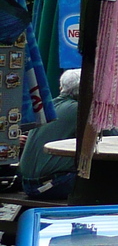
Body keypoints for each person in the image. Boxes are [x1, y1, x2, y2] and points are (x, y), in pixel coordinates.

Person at [18, 69, 86, 199]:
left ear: (62, 87)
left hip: (26, 184)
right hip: (48, 186)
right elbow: (110, 133)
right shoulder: (80, 110)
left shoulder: (46, 107)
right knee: (99, 172)